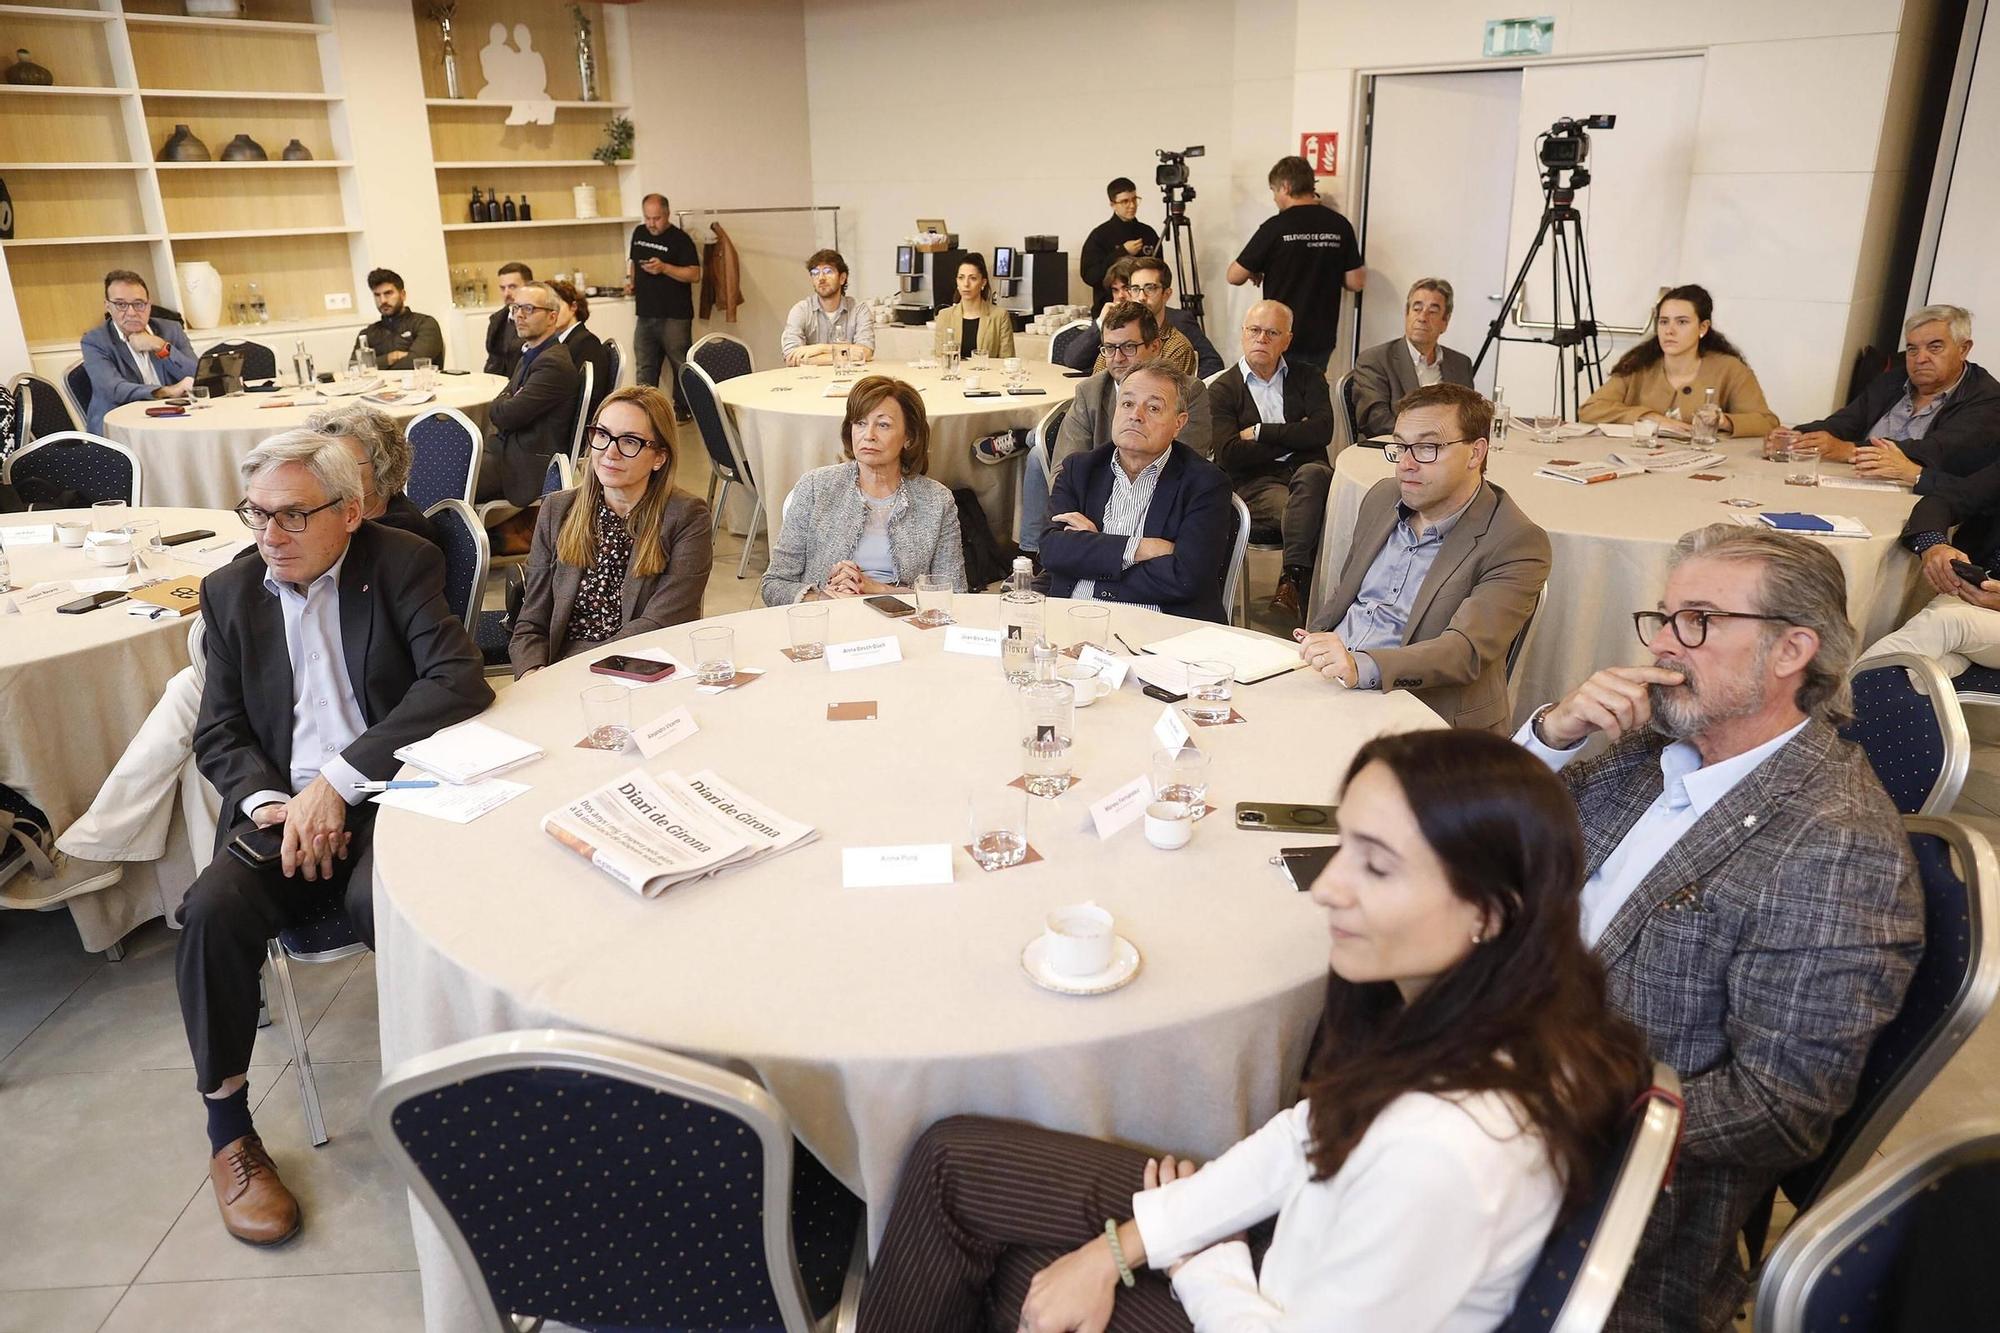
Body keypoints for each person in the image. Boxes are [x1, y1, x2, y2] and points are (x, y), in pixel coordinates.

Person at [854, 728, 1654, 1333]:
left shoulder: (1444, 1150)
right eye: (1343, 846)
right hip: (1293, 1251)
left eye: (1376, 866)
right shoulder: (1482, 1014)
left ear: (1487, 911)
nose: (1328, 888)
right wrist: (1120, 1248)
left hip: (1272, 1298)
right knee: (954, 1160)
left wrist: (1205, 1258)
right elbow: (1301, 1138)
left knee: (1015, 1275)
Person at [1517, 523, 1923, 1332]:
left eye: (1697, 620)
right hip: (1497, 1047)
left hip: (1594, 1192)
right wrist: (1554, 735)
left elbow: (1781, 1107)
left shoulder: (1834, 845)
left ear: (1790, 650)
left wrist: (1543, 1102)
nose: (1665, 646)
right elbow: (1489, 835)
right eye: (1663, 617)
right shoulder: (1657, 750)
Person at [176, 429, 490, 1245]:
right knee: (209, 911)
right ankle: (229, 1135)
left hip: (385, 796)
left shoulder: (401, 563)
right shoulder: (231, 590)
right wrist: (272, 802)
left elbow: (457, 680)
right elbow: (219, 732)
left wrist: (338, 781)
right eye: (256, 515)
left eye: (290, 516)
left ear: (349, 512)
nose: (269, 536)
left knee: (390, 901)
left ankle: (460, 1105)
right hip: (280, 812)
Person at [1300, 384, 1548, 732]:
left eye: (1427, 448)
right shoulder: (1382, 497)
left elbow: (1464, 651)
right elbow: (1347, 597)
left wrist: (1361, 666)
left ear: (1476, 454)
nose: (1405, 465)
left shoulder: (1515, 541)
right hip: (1331, 685)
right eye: (1401, 446)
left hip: (1425, 716)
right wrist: (1313, 641)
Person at [511, 386, 712, 674]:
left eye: (629, 441)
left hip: (641, 670)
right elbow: (531, 621)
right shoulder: (557, 510)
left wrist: (580, 673)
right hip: (558, 671)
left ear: (659, 457)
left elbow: (659, 622)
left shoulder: (687, 517)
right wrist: (532, 673)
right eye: (602, 435)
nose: (610, 452)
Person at [1041, 362, 1232, 623]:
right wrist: (1140, 548)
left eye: (1153, 408)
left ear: (1179, 423)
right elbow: (1052, 550)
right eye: (1127, 404)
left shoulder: (1205, 483)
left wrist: (1093, 554)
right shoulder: (1081, 469)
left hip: (1162, 626)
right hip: (1070, 617)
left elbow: (1187, 578)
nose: (1136, 415)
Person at [761, 376, 967, 605]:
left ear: (909, 437)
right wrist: (822, 598)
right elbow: (774, 584)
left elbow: (955, 595)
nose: (868, 435)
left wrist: (874, 589)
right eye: (860, 423)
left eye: (883, 425)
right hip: (828, 620)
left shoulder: (937, 500)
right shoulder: (815, 487)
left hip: (905, 622)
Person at [1789, 305, 2000, 503]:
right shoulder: (1893, 379)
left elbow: (1936, 452)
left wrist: (1848, 450)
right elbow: (1845, 422)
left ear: (1963, 349)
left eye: (1934, 348)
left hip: (1926, 505)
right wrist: (1798, 437)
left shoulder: (1987, 397)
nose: (1920, 359)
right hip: (1853, 489)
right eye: (1912, 349)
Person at [1208, 300, 1336, 619]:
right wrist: (1296, 436)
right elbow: (1229, 453)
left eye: (1272, 332)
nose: (1261, 338)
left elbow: (1322, 432)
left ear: (1287, 340)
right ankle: (1305, 595)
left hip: (1308, 477)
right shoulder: (1223, 389)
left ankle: (1291, 583)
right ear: (1242, 334)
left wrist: (1262, 432)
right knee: (1305, 508)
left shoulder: (1309, 377)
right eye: (1254, 330)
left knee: (1313, 477)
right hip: (1256, 484)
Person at [1578, 285, 1778, 438]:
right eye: (1664, 321)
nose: (1669, 330)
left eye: (1682, 322)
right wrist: (1650, 417)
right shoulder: (1639, 364)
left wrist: (1724, 421)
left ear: (1703, 327)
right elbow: (1590, 409)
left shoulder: (1730, 369)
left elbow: (1767, 422)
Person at [1227, 157, 1364, 373]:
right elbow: (1356, 282)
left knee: (1277, 395)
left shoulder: (1276, 226)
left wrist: (1257, 267)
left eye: (1274, 191)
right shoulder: (1339, 224)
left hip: (1277, 333)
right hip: (1321, 334)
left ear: (1286, 187)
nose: (1274, 199)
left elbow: (1234, 276)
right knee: (1310, 395)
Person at [477, 281, 581, 506]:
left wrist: (506, 400)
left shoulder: (553, 364)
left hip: (522, 464)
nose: (518, 316)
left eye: (529, 309)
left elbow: (505, 415)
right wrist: (506, 400)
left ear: (552, 317)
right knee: (436, 467)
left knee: (443, 482)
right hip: (506, 449)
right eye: (516, 308)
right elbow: (503, 402)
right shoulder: (531, 352)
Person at [302, 403, 443, 553]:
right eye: (327, 461)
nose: (331, 472)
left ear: (382, 466)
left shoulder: (400, 532)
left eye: (348, 463)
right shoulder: (336, 509)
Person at [1351, 278, 1475, 439]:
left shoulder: (1461, 364)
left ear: (1445, 321)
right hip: (1396, 453)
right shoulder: (1375, 360)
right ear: (1406, 314)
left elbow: (1468, 417)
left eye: (1433, 311)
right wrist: (1426, 442)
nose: (1422, 317)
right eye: (1417, 309)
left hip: (1448, 453)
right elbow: (1375, 421)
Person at [80, 269, 197, 434]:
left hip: (172, 420)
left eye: (139, 304)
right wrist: (166, 391)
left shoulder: (171, 330)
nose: (132, 312)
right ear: (108, 306)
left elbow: (197, 376)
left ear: (149, 305)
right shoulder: (95, 341)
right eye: (121, 305)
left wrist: (161, 346)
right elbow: (114, 389)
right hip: (120, 428)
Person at [627, 192, 701, 417]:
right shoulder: (639, 233)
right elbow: (633, 262)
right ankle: (644, 412)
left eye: (656, 218)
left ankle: (684, 410)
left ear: (667, 214)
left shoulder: (680, 239)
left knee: (681, 365)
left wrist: (664, 267)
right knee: (645, 366)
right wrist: (631, 281)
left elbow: (694, 274)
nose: (651, 223)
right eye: (647, 218)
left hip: (675, 315)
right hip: (645, 312)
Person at [1090, 256, 1218, 379]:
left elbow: (1163, 396)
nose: (1141, 297)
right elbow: (1096, 386)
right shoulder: (1115, 341)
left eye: (1150, 288)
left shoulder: (1177, 347)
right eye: (1135, 289)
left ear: (1166, 294)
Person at [782, 248, 875, 366]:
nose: (821, 278)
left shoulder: (859, 309)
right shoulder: (801, 310)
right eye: (815, 273)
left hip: (850, 379)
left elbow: (865, 352)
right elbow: (791, 357)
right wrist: (847, 354)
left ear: (842, 278)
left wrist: (820, 348)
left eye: (828, 271)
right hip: (809, 381)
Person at [1080, 176, 1159, 309]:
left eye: (1134, 199)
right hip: (1110, 309)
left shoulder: (1148, 233)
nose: (1132, 205)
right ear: (1113, 204)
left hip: (1145, 309)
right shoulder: (1099, 235)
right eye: (1125, 201)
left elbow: (1159, 273)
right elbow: (1090, 276)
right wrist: (1121, 252)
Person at [547, 277, 613, 416]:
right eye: (548, 307)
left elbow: (589, 398)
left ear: (573, 307)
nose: (552, 313)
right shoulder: (558, 341)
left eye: (557, 305)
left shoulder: (586, 342)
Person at [932, 253, 1015, 360]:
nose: (966, 284)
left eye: (973, 278)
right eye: (961, 278)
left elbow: (1007, 361)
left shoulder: (999, 316)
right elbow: (940, 359)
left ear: (983, 283)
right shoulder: (944, 316)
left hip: (989, 375)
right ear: (957, 281)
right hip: (954, 374)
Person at [358, 268, 445, 369]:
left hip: (421, 383)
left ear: (403, 295)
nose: (382, 300)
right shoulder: (368, 333)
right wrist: (389, 358)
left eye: (388, 293)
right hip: (381, 385)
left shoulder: (425, 324)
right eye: (377, 295)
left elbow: (415, 363)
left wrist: (372, 366)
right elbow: (355, 368)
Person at [483, 261, 533, 378]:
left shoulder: (537, 319)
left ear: (529, 286)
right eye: (502, 288)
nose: (506, 293)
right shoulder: (497, 319)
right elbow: (492, 361)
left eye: (512, 287)